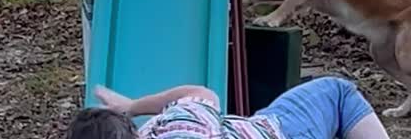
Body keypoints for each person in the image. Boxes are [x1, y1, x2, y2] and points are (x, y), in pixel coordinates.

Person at [66, 76, 391, 139]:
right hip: (284, 130)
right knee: (337, 91)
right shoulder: (176, 126)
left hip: (261, 125)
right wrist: (133, 105)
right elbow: (203, 93)